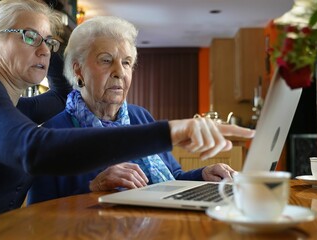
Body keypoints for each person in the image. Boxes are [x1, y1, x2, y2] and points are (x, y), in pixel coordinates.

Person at [0, 0, 254, 236]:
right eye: (29, 37)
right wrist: (171, 130)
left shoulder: (22, 109)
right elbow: (34, 149)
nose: (44, 50)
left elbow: (61, 91)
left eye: (48, 42)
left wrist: (48, 34)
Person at [28, 16, 239, 204]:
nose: (119, 72)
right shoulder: (51, 134)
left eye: (127, 63)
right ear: (78, 69)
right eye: (106, 60)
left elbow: (172, 178)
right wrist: (94, 187)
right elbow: (37, 214)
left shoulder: (141, 116)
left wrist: (204, 174)